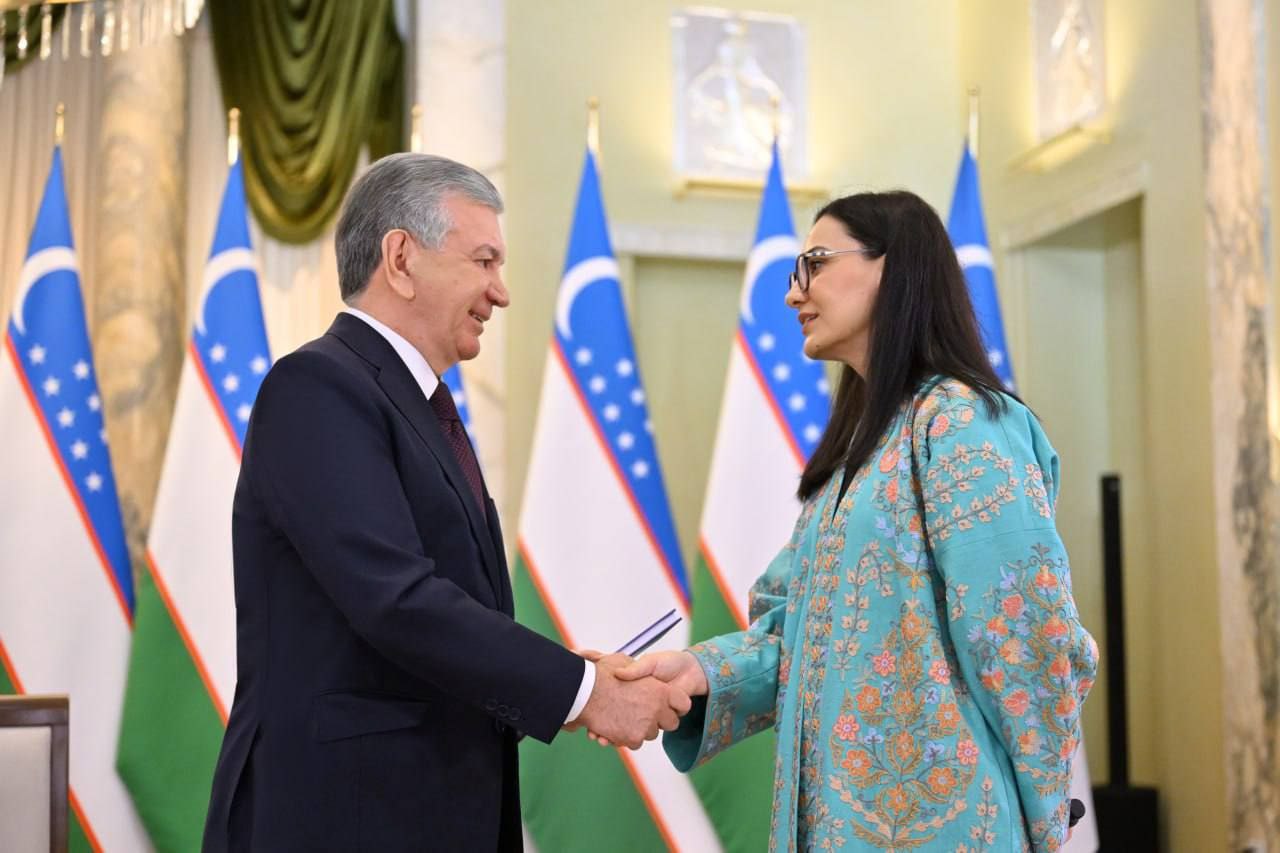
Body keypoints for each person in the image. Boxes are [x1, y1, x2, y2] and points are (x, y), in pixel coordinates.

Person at [202, 153, 689, 852]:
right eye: (484, 261)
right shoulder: (317, 387)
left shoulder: (418, 405)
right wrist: (585, 691)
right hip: (342, 821)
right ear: (401, 258)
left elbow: (440, 621)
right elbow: (398, 601)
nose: (501, 292)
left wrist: (566, 675)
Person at [610, 190, 1099, 851]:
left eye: (814, 262)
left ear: (892, 269)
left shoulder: (961, 422)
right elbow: (799, 636)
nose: (794, 292)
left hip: (945, 828)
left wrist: (1041, 815)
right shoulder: (859, 453)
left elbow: (1025, 635)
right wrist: (699, 672)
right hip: (834, 825)